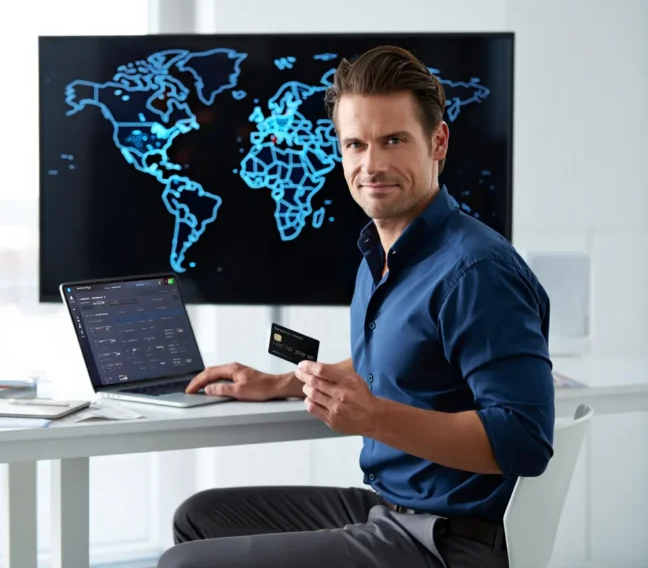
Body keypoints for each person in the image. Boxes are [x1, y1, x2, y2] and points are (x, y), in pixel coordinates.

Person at [157, 45, 555, 568]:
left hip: (446, 541)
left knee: (182, 565)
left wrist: (375, 418)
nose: (372, 164)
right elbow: (403, 360)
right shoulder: (381, 251)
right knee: (200, 515)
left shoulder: (477, 272)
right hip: (390, 509)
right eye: (356, 144)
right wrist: (279, 384)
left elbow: (524, 439)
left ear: (438, 142)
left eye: (394, 140)